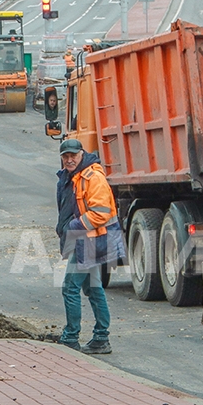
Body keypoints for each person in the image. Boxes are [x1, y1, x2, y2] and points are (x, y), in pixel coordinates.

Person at [55, 138, 124, 354]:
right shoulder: (72, 177)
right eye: (65, 156)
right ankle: (101, 338)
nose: (69, 159)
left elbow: (101, 213)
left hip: (89, 240)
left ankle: (70, 338)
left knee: (70, 288)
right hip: (86, 239)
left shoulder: (93, 177)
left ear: (81, 154)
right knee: (93, 289)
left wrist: (73, 227)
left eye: (73, 155)